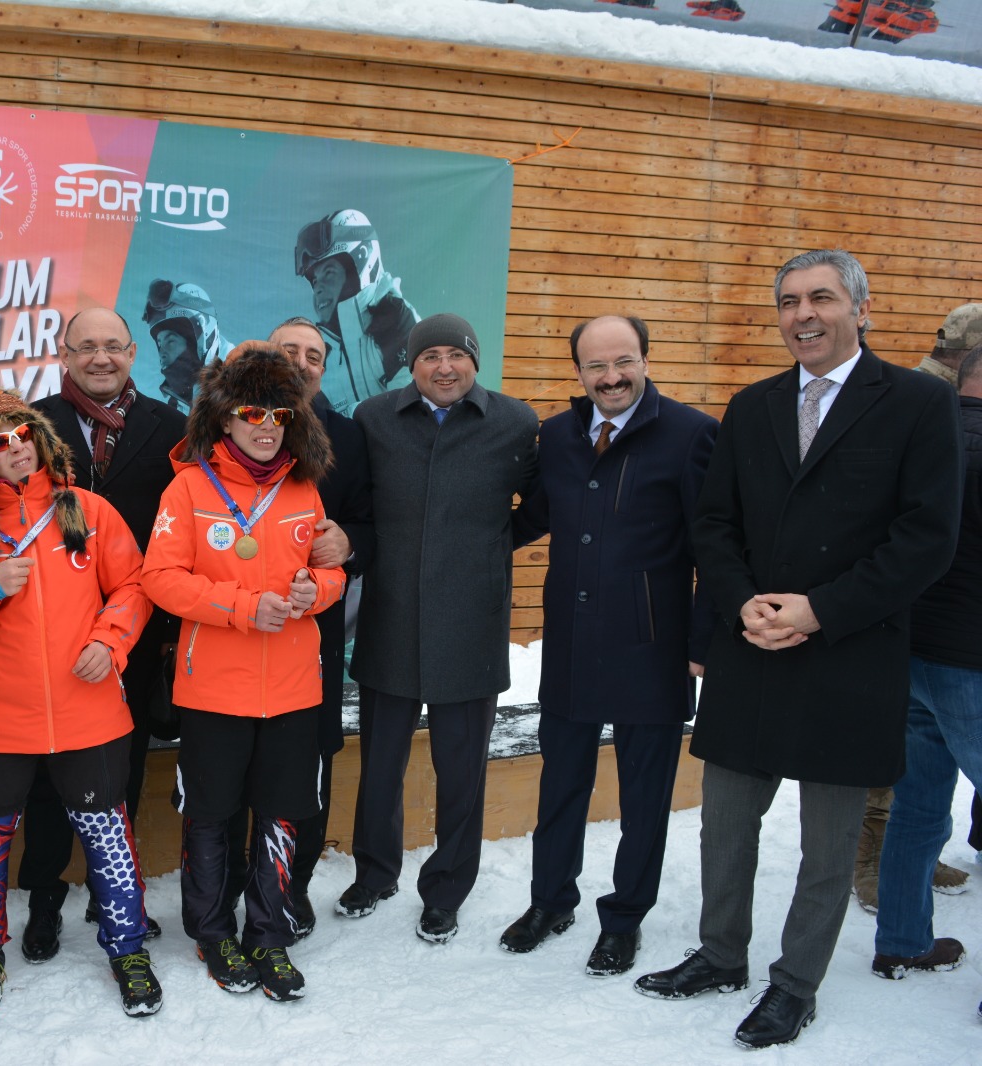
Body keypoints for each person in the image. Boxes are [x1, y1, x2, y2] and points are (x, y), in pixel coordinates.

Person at [634, 249, 963, 1050]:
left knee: (828, 841)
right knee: (725, 822)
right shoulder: (753, 406)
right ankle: (720, 954)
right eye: (788, 301)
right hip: (751, 643)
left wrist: (821, 610)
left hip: (850, 651)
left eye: (821, 297)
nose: (803, 314)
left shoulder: (920, 403)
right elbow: (715, 522)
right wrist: (740, 598)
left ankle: (794, 985)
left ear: (862, 308)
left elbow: (926, 538)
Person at [0, 386, 160, 1019]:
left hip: (88, 712)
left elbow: (134, 585)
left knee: (109, 839)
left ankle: (128, 950)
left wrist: (109, 641)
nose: (17, 449)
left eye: (24, 434)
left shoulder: (87, 509)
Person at [504, 315, 717, 976]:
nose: (611, 376)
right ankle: (550, 901)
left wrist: (704, 640)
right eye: (596, 365)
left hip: (651, 648)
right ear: (579, 372)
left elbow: (714, 546)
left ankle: (624, 918)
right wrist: (457, 537)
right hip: (571, 643)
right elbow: (532, 517)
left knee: (644, 797)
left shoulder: (690, 434)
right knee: (561, 783)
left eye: (623, 361)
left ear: (646, 360)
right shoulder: (558, 436)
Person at [142, 341, 346, 1000]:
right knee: (209, 815)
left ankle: (268, 935)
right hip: (214, 690)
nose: (266, 427)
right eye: (252, 413)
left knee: (283, 816)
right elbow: (160, 578)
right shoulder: (188, 486)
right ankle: (212, 933)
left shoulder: (304, 487)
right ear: (225, 418)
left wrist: (318, 591)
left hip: (293, 689)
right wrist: (242, 607)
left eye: (279, 415)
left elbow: (331, 572)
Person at [339, 313, 538, 943]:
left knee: (461, 772)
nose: (444, 367)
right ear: (412, 363)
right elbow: (357, 506)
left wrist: (489, 548)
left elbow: (537, 505)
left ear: (475, 361)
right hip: (391, 619)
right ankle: (374, 874)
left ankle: (446, 890)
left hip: (471, 624)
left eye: (457, 355)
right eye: (430, 356)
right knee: (380, 766)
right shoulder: (374, 418)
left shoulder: (515, 421)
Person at [19, 306, 186, 961]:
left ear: (132, 352)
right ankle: (43, 898)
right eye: (85, 346)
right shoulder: (31, 424)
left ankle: (109, 891)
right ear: (64, 355)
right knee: (47, 772)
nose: (100, 357)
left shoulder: (171, 428)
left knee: (125, 764)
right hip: (46, 630)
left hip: (137, 627)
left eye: (112, 346)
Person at [221, 317, 375, 937]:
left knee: (308, 764)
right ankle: (227, 884)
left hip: (311, 633)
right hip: (232, 630)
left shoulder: (350, 436)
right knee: (232, 765)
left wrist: (350, 541)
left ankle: (293, 885)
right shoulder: (224, 424)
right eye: (290, 350)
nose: (303, 361)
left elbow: (372, 520)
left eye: (315, 354)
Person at [853, 301, 982, 908]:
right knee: (889, 759)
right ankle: (870, 865)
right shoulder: (919, 401)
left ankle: (902, 876)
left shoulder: (924, 395)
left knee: (914, 771)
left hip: (917, 618)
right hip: (915, 618)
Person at [293, 208, 419, 416]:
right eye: (314, 280)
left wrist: (341, 423)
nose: (319, 288)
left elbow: (409, 411)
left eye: (329, 273)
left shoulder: (397, 320)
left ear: (362, 257)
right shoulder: (320, 348)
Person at [142, 279, 225, 411]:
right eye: (159, 344)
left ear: (203, 331)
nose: (162, 353)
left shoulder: (242, 383)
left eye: (170, 341)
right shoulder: (175, 406)